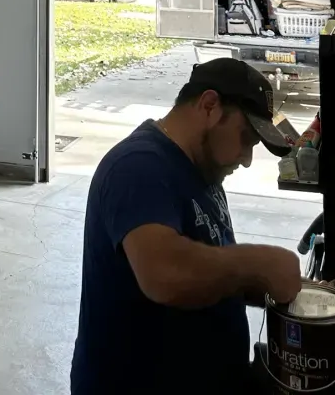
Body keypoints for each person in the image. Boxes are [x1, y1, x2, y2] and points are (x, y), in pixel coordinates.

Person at [70, 58, 302, 395]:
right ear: (209, 106)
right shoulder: (137, 167)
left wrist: (275, 281)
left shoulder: (204, 169)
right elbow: (165, 273)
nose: (247, 158)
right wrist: (260, 262)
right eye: (246, 138)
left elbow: (214, 270)